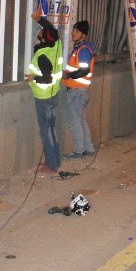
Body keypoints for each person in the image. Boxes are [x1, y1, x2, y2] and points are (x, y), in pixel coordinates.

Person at [25, 10, 63, 174]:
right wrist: (39, 19)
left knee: (46, 131)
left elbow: (46, 79)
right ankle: (56, 160)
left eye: (40, 31)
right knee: (52, 129)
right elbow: (50, 28)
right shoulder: (56, 45)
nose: (39, 30)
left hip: (44, 96)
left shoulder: (42, 55)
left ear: (43, 38)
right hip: (53, 94)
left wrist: (33, 78)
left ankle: (51, 164)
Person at [62, 20, 96, 160]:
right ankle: (88, 149)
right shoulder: (81, 48)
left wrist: (68, 75)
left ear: (84, 35)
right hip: (80, 92)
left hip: (77, 92)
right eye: (73, 30)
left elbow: (84, 69)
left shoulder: (83, 50)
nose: (73, 33)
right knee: (81, 121)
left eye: (76, 31)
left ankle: (78, 151)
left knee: (75, 122)